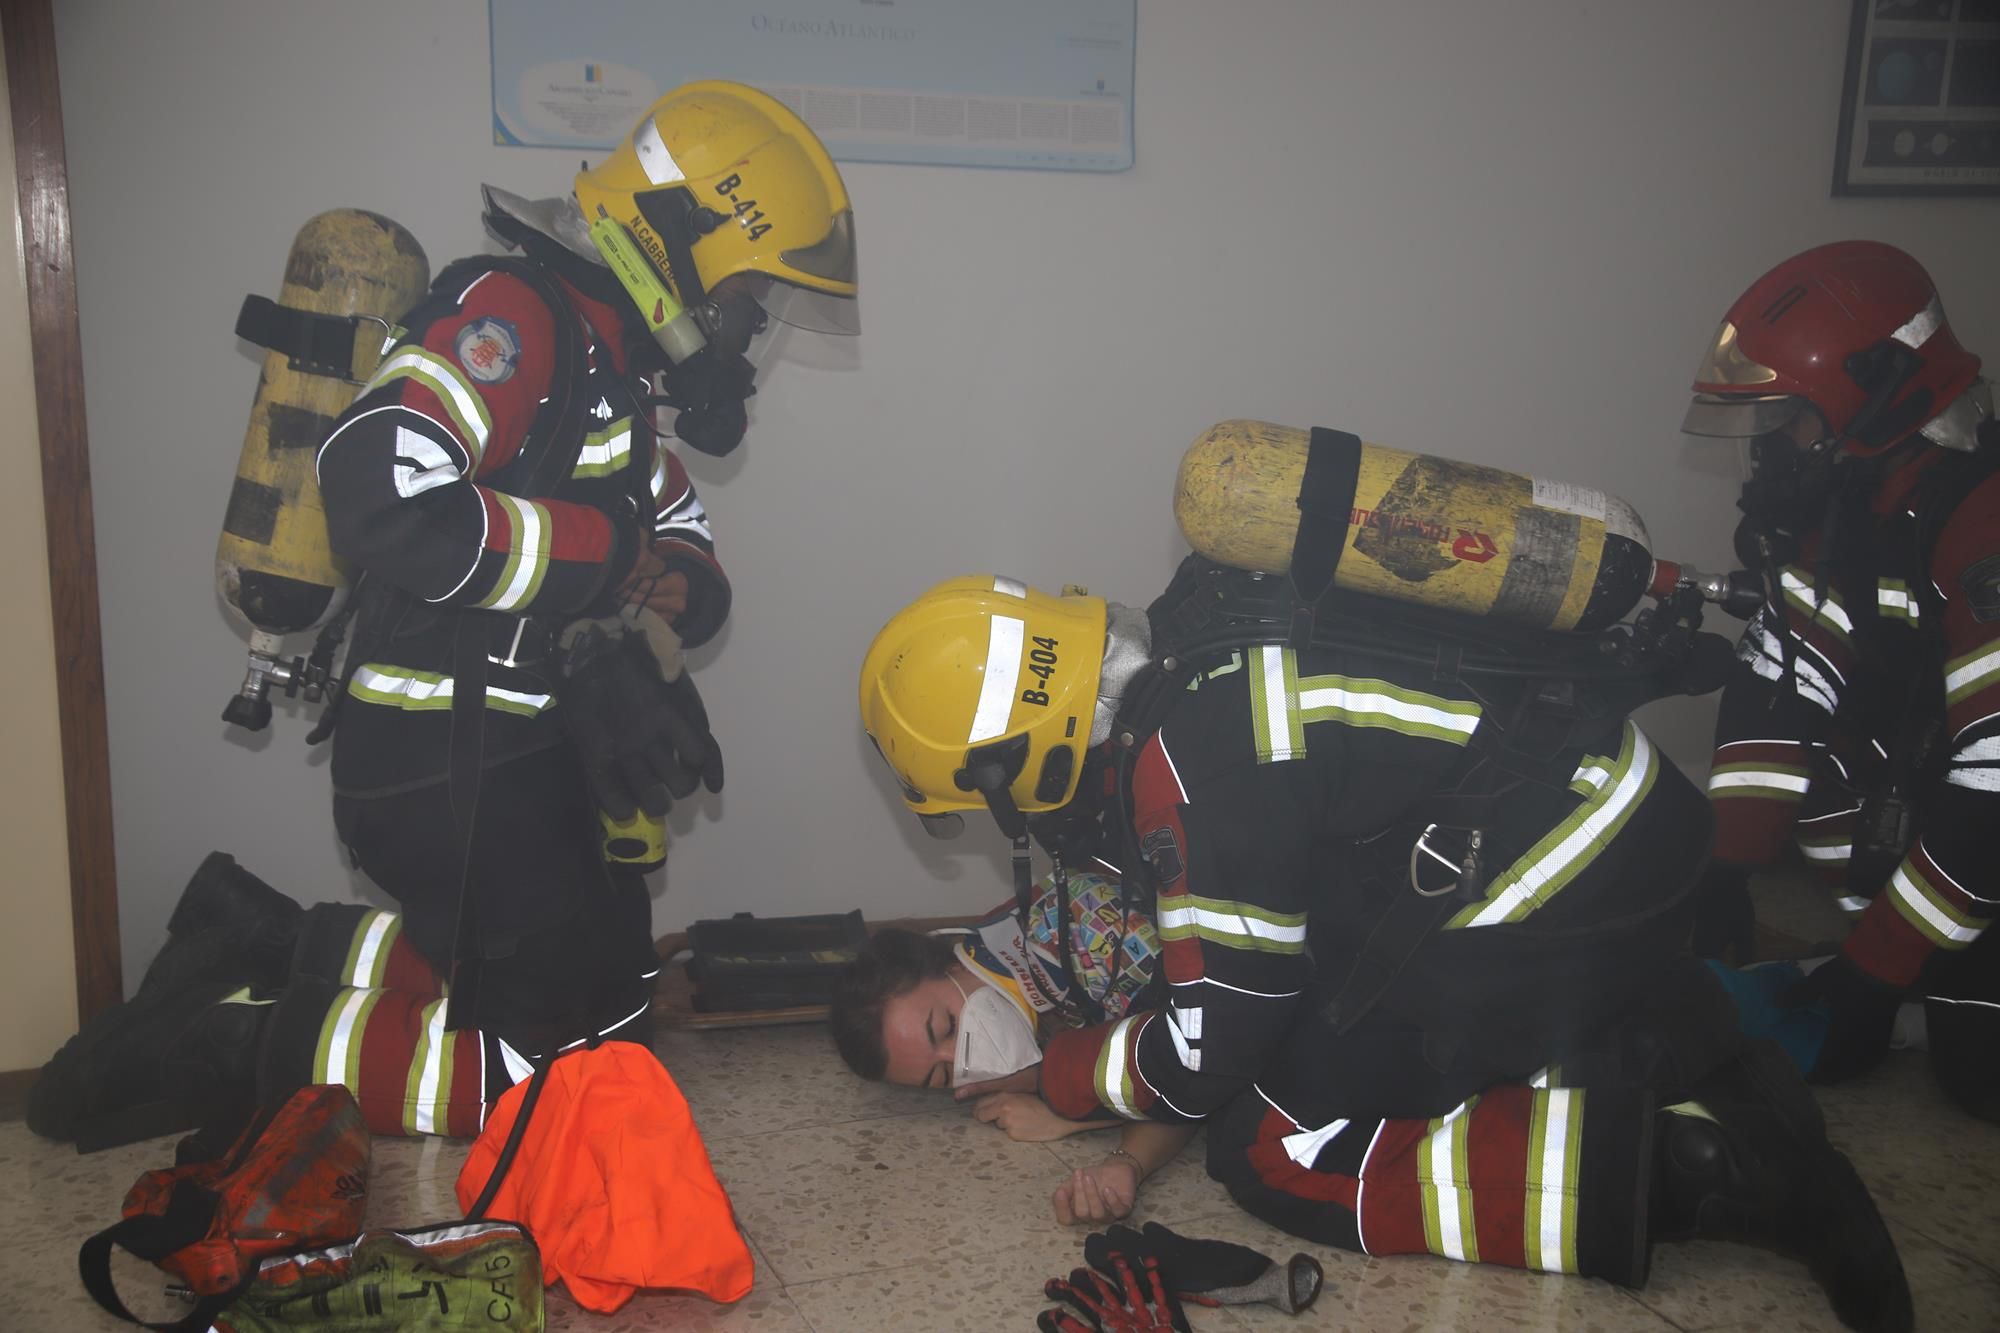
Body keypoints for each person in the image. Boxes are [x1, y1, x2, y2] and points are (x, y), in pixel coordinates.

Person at [29, 81, 858, 1151]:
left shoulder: (612, 367)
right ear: (681, 242)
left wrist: (672, 586)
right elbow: (379, 492)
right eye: (753, 301)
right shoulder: (515, 317)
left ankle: (270, 947)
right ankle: (232, 1040)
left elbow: (675, 534)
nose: (749, 336)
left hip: (529, 756)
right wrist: (605, 565)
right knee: (549, 1079)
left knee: (614, 1014)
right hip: (436, 758)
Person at [856, 571, 1914, 1331]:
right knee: (1328, 1035)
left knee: (1276, 1138)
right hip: (1581, 820)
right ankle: (1690, 1049)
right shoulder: (1193, 657)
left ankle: (1718, 1175)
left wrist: (1062, 1075)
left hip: (1579, 859)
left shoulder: (1187, 772)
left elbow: (1206, 1053)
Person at [1680, 241, 1998, 1121]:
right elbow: (1781, 685)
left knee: (1982, 1077)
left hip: (1988, 816)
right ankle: (1912, 970)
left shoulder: (1982, 520)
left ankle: (1914, 985)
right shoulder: (1860, 505)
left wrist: (1872, 975)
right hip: (1950, 810)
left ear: (1882, 389)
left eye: (1794, 418)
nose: (1781, 445)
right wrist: (1727, 870)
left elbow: (1994, 789)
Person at [831, 871, 1199, 1224]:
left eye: (948, 1027)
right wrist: (1124, 1164)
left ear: (948, 965)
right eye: (945, 1074)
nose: (964, 1057)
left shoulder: (1078, 927)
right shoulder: (1018, 1014)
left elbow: (1198, 1066)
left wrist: (1065, 1108)